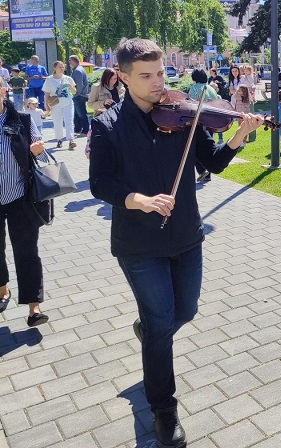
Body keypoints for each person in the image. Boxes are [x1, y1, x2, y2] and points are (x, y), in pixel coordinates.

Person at [89, 38, 262, 448]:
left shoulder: (183, 114)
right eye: (146, 76)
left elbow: (211, 162)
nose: (157, 83)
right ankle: (164, 409)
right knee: (161, 322)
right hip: (139, 244)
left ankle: (149, 330)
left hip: (185, 234)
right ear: (123, 77)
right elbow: (100, 184)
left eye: (161, 73)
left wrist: (239, 135)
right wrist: (139, 200)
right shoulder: (108, 124)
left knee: (185, 310)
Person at [0, 93, 50, 327]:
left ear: (2, 91)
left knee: (27, 251)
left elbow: (42, 153)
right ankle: (2, 289)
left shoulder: (22, 120)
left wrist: (37, 150)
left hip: (20, 197)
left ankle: (34, 307)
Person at [42, 61, 77, 149]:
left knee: (69, 122)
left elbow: (74, 92)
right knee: (57, 122)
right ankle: (59, 140)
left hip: (68, 103)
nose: (62, 69)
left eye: (63, 67)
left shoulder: (68, 78)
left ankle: (71, 140)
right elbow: (46, 94)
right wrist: (46, 106)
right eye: (60, 67)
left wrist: (69, 86)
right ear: (55, 68)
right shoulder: (49, 79)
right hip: (55, 105)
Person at [69, 55, 90, 136]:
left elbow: (79, 85)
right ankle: (77, 129)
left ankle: (85, 130)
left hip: (79, 95)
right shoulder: (79, 69)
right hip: (79, 95)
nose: (69, 62)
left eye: (70, 60)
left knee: (81, 114)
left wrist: (76, 93)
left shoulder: (77, 71)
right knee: (76, 114)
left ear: (73, 61)